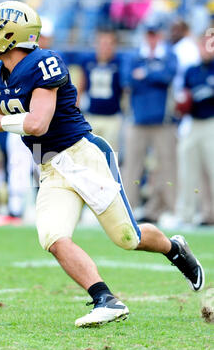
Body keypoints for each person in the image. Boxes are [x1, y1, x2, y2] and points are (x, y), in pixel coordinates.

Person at [0, 1, 204, 327]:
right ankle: (106, 299)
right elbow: (2, 120)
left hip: (82, 157)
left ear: (12, 34)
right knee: (53, 236)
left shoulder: (43, 63)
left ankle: (175, 249)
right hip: (48, 165)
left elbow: (37, 124)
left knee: (127, 238)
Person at [122, 22, 178, 224]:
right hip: (137, 120)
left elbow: (167, 76)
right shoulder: (135, 55)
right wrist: (153, 74)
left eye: (155, 34)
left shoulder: (168, 55)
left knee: (167, 167)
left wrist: (145, 74)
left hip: (163, 121)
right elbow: (127, 79)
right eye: (149, 34)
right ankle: (129, 208)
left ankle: (167, 209)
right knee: (133, 167)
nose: (152, 38)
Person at [176, 35, 214, 225]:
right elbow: (183, 96)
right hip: (194, 123)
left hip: (211, 123)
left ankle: (210, 213)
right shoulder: (191, 70)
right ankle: (186, 214)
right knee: (187, 170)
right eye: (203, 45)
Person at [77, 28, 124, 152]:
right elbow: (81, 85)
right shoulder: (88, 61)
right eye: (102, 43)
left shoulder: (119, 63)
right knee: (89, 154)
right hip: (91, 115)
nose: (105, 47)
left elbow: (125, 89)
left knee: (110, 155)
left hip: (112, 117)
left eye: (109, 44)